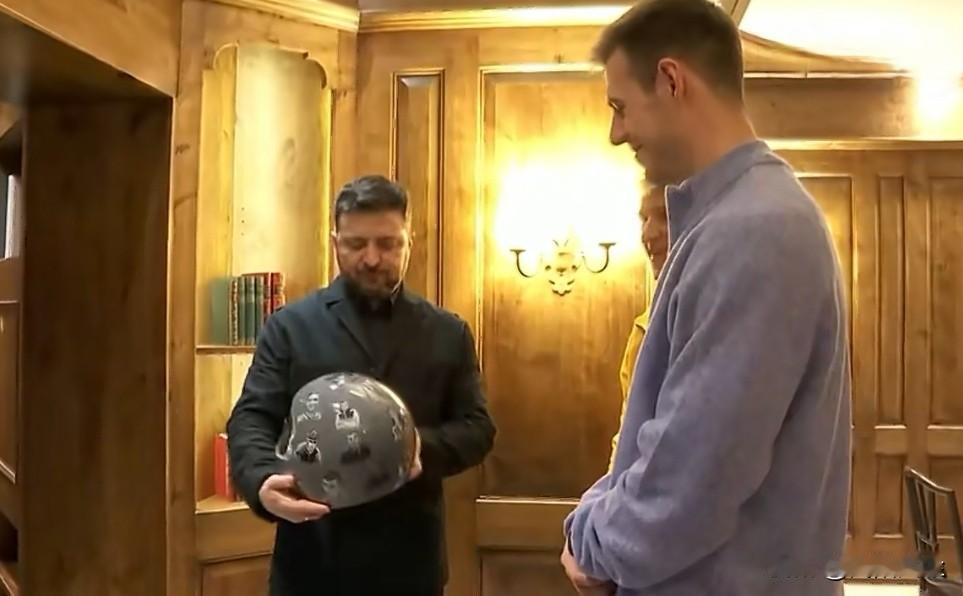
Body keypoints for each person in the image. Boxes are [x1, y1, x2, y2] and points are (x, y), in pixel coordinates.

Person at [560, 1, 852, 595]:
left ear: (671, 80)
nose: (616, 133)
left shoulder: (755, 229)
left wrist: (591, 542)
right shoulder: (731, 219)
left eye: (620, 107)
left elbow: (689, 482)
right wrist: (596, 519)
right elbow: (660, 441)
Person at [227, 174, 497, 596]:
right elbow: (251, 419)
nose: (372, 259)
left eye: (387, 244)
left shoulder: (448, 332)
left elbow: (477, 428)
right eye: (356, 244)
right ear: (335, 243)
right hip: (311, 566)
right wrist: (262, 479)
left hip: (410, 568)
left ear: (409, 242)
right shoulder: (289, 327)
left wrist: (413, 447)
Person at [608, 182, 668, 472]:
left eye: (664, 216)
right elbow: (628, 434)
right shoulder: (644, 329)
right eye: (644, 219)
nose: (648, 234)